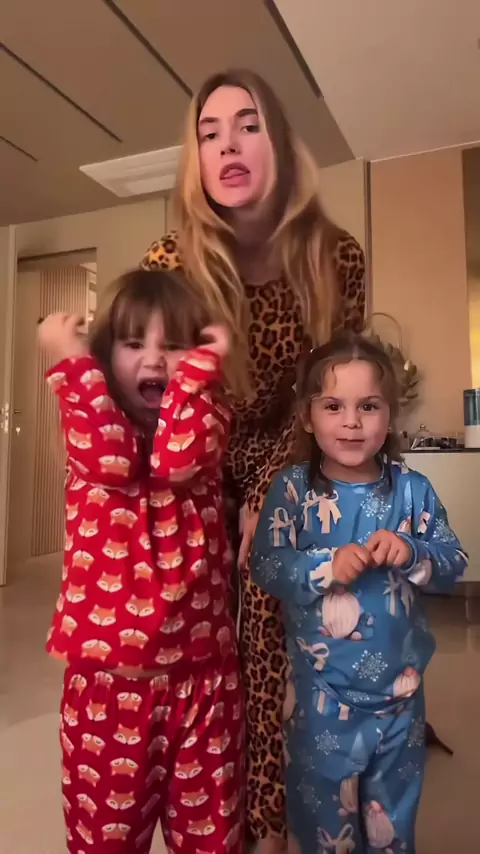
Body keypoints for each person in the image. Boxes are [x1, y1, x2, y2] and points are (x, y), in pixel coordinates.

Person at [142, 68, 366, 851]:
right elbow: (153, 402)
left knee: (273, 591)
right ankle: (211, 813)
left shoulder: (335, 257)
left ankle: (268, 821)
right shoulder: (171, 263)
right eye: (209, 134)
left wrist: (273, 488)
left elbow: (334, 393)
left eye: (247, 126)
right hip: (193, 463)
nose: (228, 146)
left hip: (292, 458)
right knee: (195, 636)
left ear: (280, 142)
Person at [37, 269, 244, 854]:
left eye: (174, 345)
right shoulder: (90, 433)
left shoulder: (207, 420)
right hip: (109, 690)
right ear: (105, 358)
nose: (154, 359)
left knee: (212, 842)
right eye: (133, 344)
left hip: (202, 686)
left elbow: (176, 458)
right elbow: (112, 461)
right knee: (105, 842)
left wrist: (200, 373)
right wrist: (70, 361)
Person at [251, 333, 467, 853]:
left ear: (389, 414)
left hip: (401, 699)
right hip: (320, 699)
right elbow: (267, 566)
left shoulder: (412, 490)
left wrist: (411, 550)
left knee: (391, 823)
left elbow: (453, 563)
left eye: (368, 406)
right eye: (333, 406)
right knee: (324, 825)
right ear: (308, 416)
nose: (351, 422)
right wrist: (325, 566)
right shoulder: (291, 490)